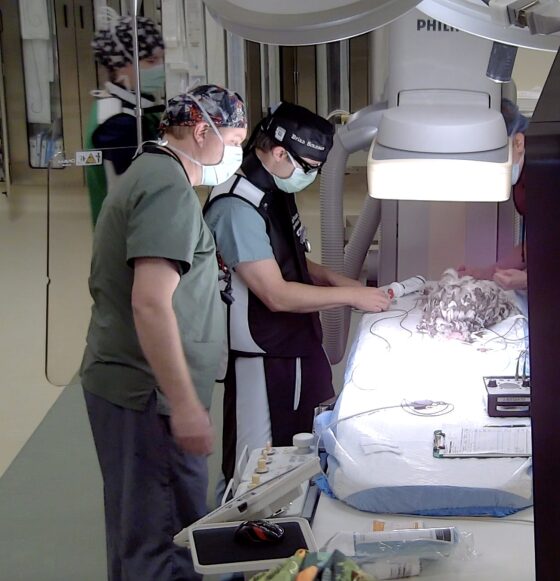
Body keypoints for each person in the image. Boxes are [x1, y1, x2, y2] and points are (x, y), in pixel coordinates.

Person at [80, 85, 247, 580]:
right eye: (234, 140)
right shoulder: (167, 188)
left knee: (141, 533)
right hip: (149, 397)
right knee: (166, 540)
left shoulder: (151, 173)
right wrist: (186, 405)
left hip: (133, 389)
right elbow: (150, 302)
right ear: (202, 131)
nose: (233, 153)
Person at [203, 102, 390, 484]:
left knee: (301, 449)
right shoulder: (236, 205)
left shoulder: (272, 189)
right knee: (255, 471)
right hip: (261, 354)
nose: (311, 176)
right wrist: (352, 299)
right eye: (308, 168)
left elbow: (295, 265)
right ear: (278, 152)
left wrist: (344, 283)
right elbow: (276, 294)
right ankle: (247, 535)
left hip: (296, 343)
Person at [86, 9, 166, 225]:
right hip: (129, 239)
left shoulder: (121, 105)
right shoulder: (119, 122)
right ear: (120, 64)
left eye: (161, 59)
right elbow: (146, 188)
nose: (161, 68)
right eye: (151, 60)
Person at [458, 98, 529, 290]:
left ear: (518, 142)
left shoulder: (551, 172)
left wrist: (528, 280)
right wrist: (486, 273)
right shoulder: (523, 178)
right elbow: (531, 245)